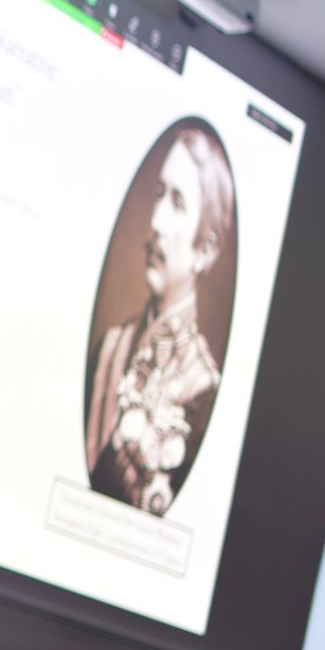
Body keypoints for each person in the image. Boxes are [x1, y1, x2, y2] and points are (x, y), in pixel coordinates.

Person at [86, 125, 235, 516]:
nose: (155, 221)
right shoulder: (110, 347)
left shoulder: (204, 389)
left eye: (178, 203)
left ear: (206, 248)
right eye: (158, 195)